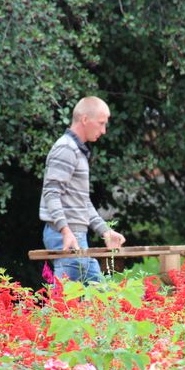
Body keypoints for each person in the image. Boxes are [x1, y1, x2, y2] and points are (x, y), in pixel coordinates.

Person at [39, 96, 125, 282]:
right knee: (70, 295)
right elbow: (51, 193)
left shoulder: (76, 150)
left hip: (73, 234)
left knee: (96, 293)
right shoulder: (66, 149)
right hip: (66, 235)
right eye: (101, 123)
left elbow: (82, 202)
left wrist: (105, 231)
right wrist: (65, 231)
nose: (103, 130)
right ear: (85, 119)